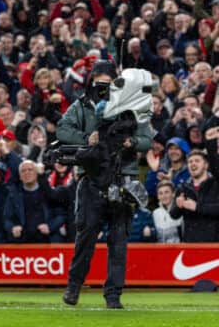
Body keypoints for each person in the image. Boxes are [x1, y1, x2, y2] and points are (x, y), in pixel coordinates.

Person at [58, 61, 152, 309]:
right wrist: (86, 139)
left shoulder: (133, 106)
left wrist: (132, 141)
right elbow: (62, 130)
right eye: (99, 83)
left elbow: (147, 139)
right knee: (86, 235)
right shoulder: (82, 105)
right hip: (92, 178)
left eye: (107, 84)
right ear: (91, 81)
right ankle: (74, 286)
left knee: (118, 241)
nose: (103, 88)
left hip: (123, 177)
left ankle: (113, 296)